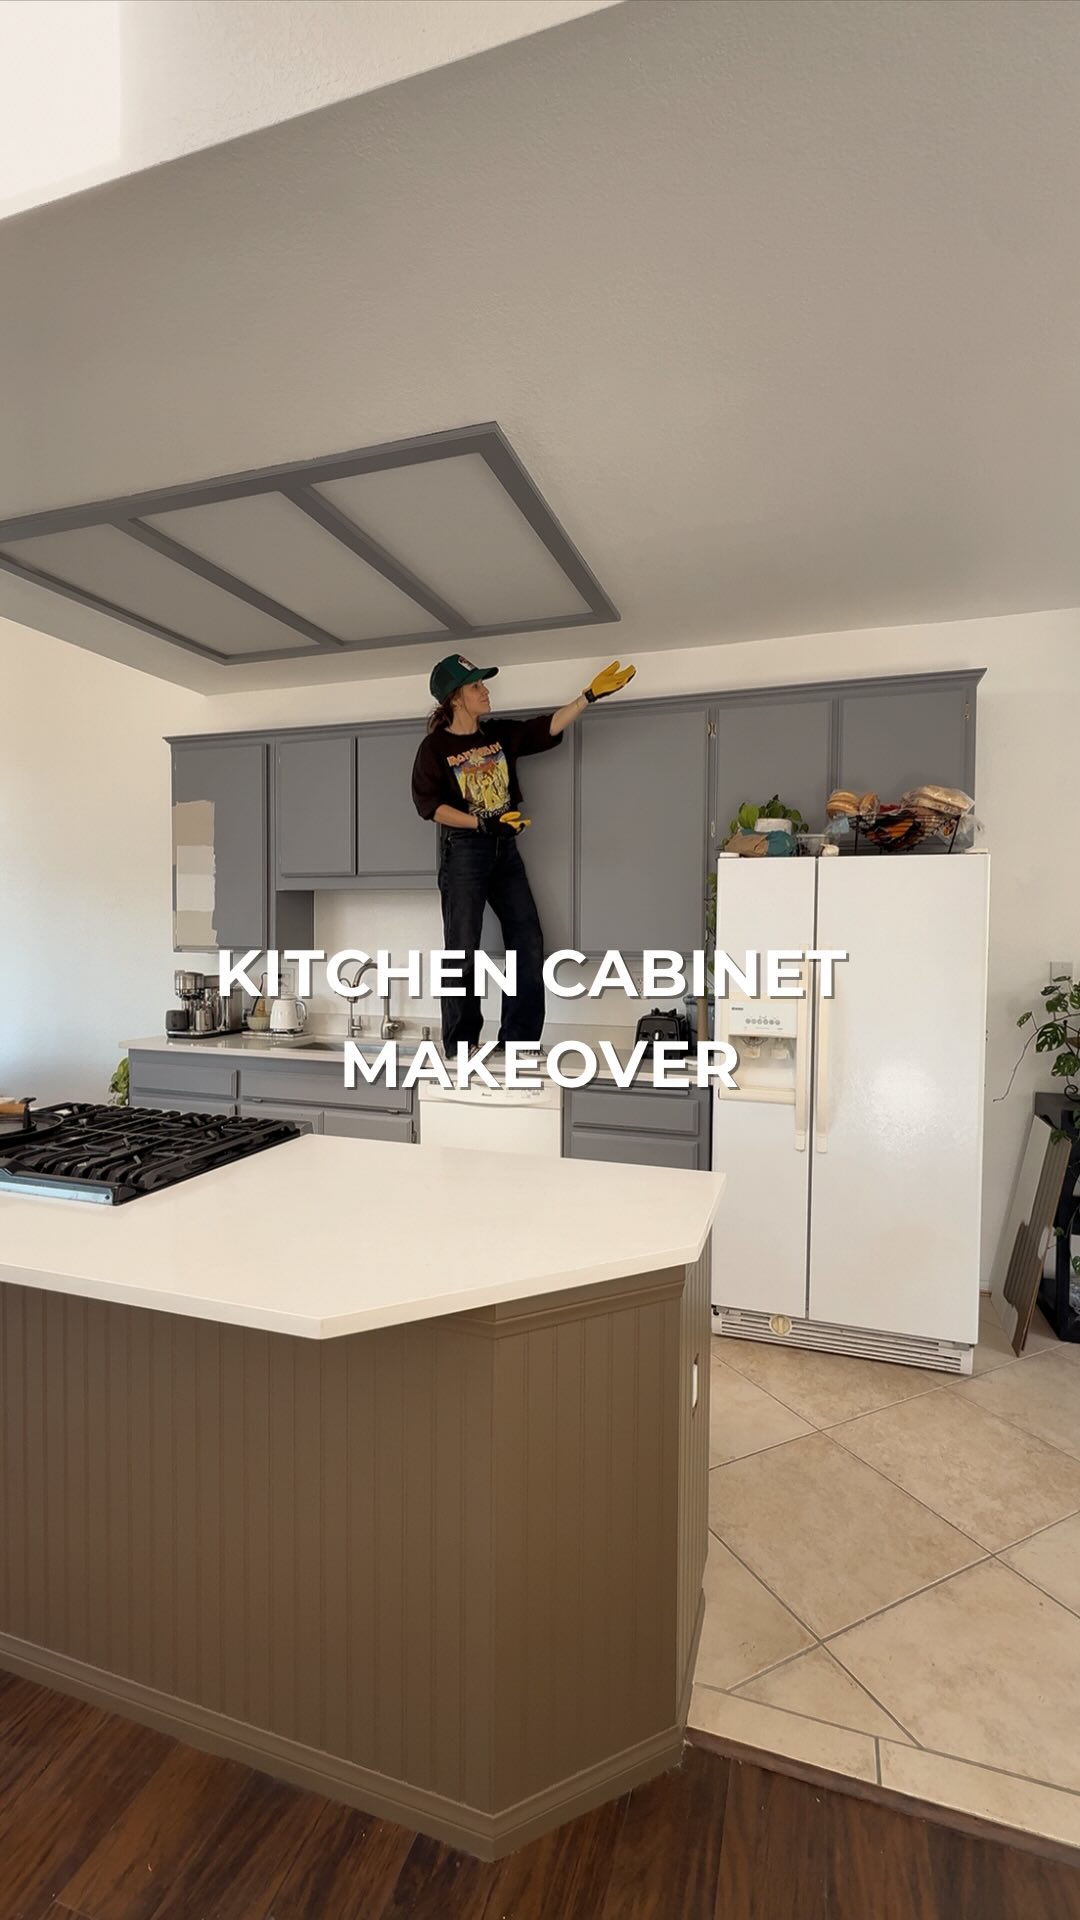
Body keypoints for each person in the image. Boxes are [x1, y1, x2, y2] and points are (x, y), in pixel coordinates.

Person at [411, 653, 636, 1052]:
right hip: (465, 852)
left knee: (527, 938)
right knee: (462, 947)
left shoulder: (497, 735)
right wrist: (481, 824)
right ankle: (460, 1044)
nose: (486, 691)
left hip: (505, 850)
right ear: (455, 698)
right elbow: (430, 807)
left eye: (483, 684)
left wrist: (588, 696)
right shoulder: (435, 748)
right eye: (476, 686)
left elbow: (545, 727)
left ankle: (519, 1041)